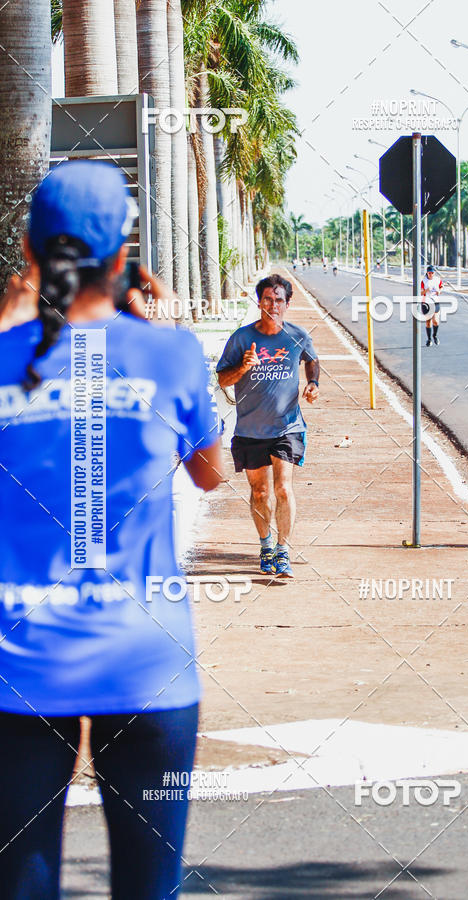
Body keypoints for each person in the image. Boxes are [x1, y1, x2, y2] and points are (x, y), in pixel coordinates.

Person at [0, 160, 223, 900]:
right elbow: (211, 473)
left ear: (29, 254)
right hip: (146, 663)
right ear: (124, 258)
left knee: (21, 884)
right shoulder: (171, 355)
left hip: (20, 671)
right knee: (149, 887)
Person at [216, 273, 320, 579]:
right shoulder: (241, 338)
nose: (273, 305)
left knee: (283, 489)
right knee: (260, 492)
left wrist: (313, 383)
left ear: (287, 303)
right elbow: (223, 379)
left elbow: (312, 359)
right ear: (258, 301)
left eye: (279, 300)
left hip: (287, 426)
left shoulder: (297, 335)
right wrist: (243, 366)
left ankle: (283, 549)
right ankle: (265, 547)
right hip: (249, 430)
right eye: (267, 299)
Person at [421, 264, 443, 347]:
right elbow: (420, 292)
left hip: (435, 302)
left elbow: (441, 286)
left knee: (436, 321)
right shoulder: (423, 281)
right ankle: (429, 339)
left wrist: (439, 291)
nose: (431, 274)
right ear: (427, 273)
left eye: (432, 273)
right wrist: (427, 290)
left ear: (434, 273)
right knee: (428, 321)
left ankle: (435, 335)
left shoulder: (438, 280)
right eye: (429, 273)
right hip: (426, 302)